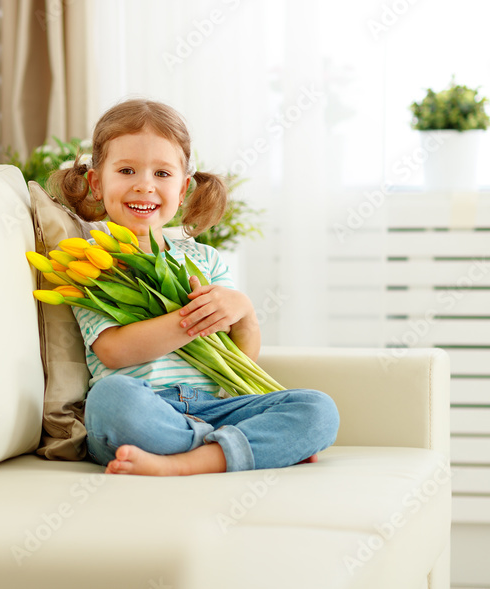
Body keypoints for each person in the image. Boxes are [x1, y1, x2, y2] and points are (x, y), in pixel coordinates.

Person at [47, 98, 339, 476]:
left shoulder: (205, 259)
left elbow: (240, 361)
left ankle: (185, 461)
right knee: (108, 398)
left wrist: (245, 314)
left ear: (183, 189)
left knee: (318, 410)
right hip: (146, 409)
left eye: (162, 174)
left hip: (215, 407)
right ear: (96, 183)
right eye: (127, 170)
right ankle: (234, 450)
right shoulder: (90, 261)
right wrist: (188, 320)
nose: (144, 186)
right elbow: (114, 352)